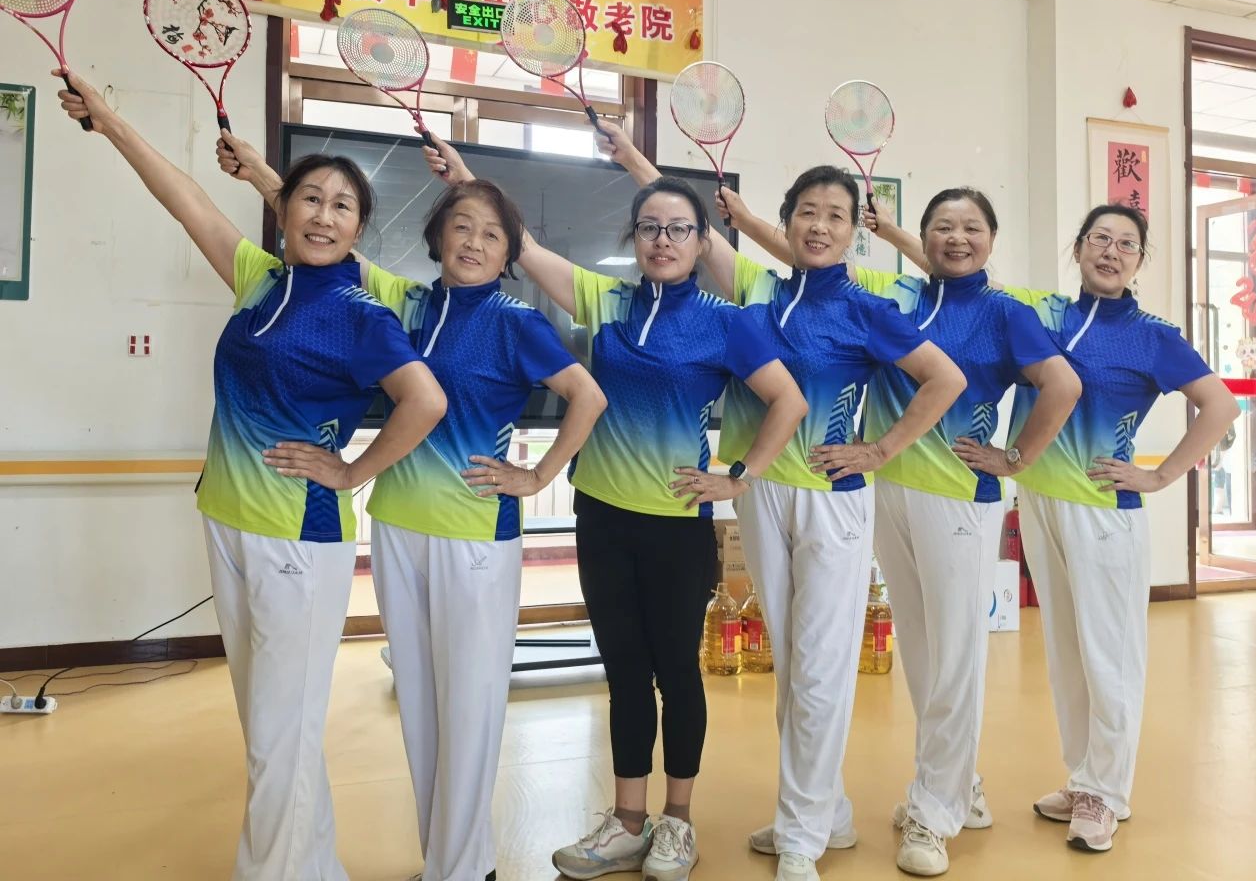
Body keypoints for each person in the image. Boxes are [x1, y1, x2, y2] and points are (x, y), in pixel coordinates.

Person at [57, 73, 446, 881]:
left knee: (278, 736)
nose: (323, 215)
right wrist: (110, 121)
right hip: (228, 519)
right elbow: (189, 201)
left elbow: (426, 400)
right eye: (311, 199)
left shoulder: (362, 313)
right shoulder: (259, 279)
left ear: (359, 229)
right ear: (283, 209)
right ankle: (313, 868)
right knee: (275, 729)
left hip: (297, 539)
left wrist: (352, 471)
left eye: (343, 207)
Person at [216, 132, 607, 881]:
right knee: (422, 707)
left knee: (470, 708)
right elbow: (324, 233)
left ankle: (466, 867)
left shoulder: (516, 321)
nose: (473, 243)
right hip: (396, 525)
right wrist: (266, 176)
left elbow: (587, 396)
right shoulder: (405, 304)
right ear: (436, 238)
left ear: (509, 253)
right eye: (460, 226)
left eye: (491, 235)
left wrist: (538, 476)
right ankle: (443, 861)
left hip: (474, 533)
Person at [419, 135, 809, 881]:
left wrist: (739, 476)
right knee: (624, 671)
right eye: (650, 228)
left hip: (676, 527)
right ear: (634, 238)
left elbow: (787, 401)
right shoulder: (606, 301)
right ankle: (627, 822)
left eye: (679, 229)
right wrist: (466, 179)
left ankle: (678, 822)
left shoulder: (727, 321)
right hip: (601, 516)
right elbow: (520, 245)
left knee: (677, 674)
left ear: (700, 242)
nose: (663, 240)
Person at [595, 121, 967, 881]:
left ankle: (800, 833)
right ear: (787, 220)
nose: (820, 226)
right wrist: (631, 156)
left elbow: (945, 380)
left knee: (824, 667)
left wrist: (880, 450)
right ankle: (825, 812)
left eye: (836, 215)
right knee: (794, 663)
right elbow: (679, 226)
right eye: (808, 212)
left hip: (833, 499)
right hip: (760, 494)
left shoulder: (866, 308)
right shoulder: (756, 292)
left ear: (853, 230)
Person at [722, 186, 1081, 876]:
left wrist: (1016, 459)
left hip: (958, 498)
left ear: (993, 239)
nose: (956, 239)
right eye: (942, 228)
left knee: (954, 659)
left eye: (971, 228)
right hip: (889, 497)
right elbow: (808, 250)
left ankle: (937, 810)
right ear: (921, 237)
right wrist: (746, 220)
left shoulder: (1006, 312)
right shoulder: (899, 298)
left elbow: (1061, 385)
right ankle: (958, 785)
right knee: (919, 653)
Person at [869, 201, 1239, 854]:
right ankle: (1083, 776)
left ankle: (1107, 792)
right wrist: (893, 232)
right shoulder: (1043, 313)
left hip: (1103, 512)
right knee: (1067, 654)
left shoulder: (1153, 336)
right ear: (1078, 248)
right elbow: (958, 268)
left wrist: (1159, 476)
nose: (1110, 252)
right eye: (1099, 239)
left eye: (1126, 244)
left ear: (1141, 260)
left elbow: (1220, 405)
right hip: (1040, 505)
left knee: (1109, 656)